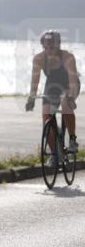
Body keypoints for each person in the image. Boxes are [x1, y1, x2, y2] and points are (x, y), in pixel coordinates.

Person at [26, 30, 79, 159]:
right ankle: (55, 154)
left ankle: (72, 140)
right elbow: (35, 81)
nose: (49, 50)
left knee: (65, 103)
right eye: (46, 47)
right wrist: (31, 98)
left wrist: (71, 97)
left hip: (70, 85)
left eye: (53, 47)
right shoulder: (38, 59)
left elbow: (72, 80)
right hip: (52, 85)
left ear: (59, 45)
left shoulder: (67, 57)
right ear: (42, 46)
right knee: (46, 119)